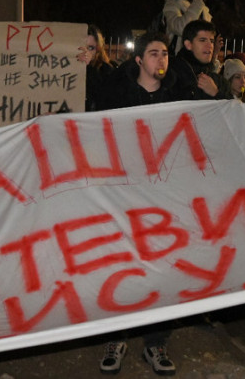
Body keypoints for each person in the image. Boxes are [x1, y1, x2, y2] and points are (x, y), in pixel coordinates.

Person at [95, 33, 184, 375]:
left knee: (160, 269)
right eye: (153, 54)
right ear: (138, 61)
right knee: (120, 266)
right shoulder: (116, 96)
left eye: (164, 54)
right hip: (123, 195)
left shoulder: (178, 96)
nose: (160, 60)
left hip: (164, 200)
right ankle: (116, 337)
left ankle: (155, 343)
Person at [171, 19, 231, 100]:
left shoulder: (220, 83)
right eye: (202, 40)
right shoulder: (171, 76)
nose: (209, 45)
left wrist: (215, 93)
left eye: (212, 41)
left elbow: (232, 110)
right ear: (188, 45)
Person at [77, 24, 116, 111]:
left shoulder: (106, 71)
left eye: (91, 48)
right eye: (83, 47)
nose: (86, 52)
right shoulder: (68, 68)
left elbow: (105, 99)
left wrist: (89, 68)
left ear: (98, 49)